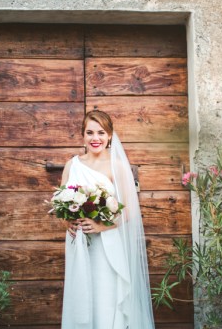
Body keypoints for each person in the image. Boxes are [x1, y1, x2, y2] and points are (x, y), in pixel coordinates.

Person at [59, 110, 155, 329]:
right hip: (78, 243)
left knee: (105, 295)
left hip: (106, 244)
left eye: (101, 132)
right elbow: (61, 204)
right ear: (82, 136)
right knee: (81, 293)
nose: (95, 138)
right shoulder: (71, 165)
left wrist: (101, 225)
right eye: (90, 132)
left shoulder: (117, 166)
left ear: (110, 135)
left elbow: (130, 210)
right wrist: (67, 222)